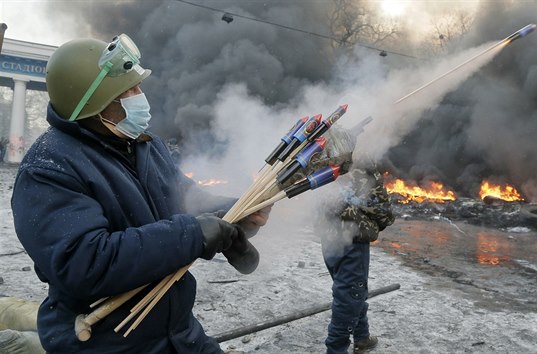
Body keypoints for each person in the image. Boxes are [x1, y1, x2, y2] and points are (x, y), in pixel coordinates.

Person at [11, 34, 270, 353]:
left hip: (178, 333)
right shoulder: (49, 166)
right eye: (127, 91)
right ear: (95, 106)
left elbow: (187, 200)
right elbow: (84, 263)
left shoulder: (145, 145)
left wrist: (237, 211)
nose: (139, 96)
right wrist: (192, 235)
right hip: (106, 342)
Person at [314, 128, 395, 354]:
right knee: (350, 296)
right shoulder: (361, 168)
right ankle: (336, 349)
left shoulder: (324, 169)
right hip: (352, 241)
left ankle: (362, 336)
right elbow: (383, 210)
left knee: (352, 291)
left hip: (328, 238)